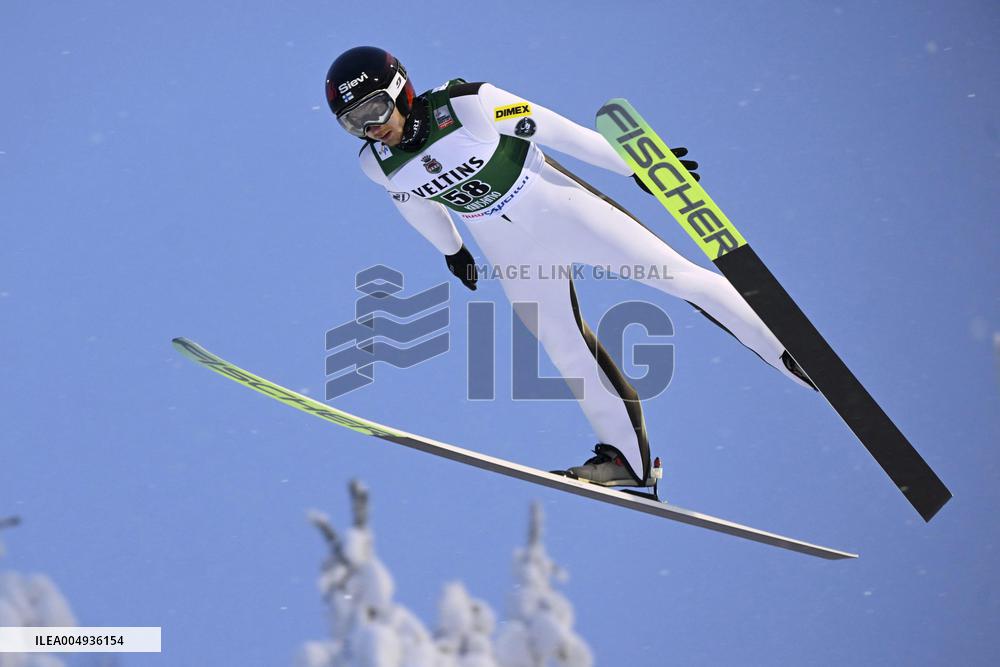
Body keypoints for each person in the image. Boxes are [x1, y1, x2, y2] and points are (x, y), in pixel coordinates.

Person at [325, 46, 815, 489]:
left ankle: (795, 356)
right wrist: (452, 249)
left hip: (557, 205)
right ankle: (627, 461)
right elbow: (414, 203)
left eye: (373, 111)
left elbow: (559, 130)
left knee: (677, 277)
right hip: (505, 244)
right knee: (560, 341)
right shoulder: (378, 163)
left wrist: (635, 166)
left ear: (400, 90)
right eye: (354, 123)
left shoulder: (468, 103)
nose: (371, 129)